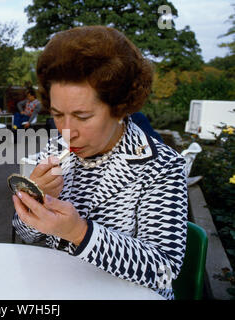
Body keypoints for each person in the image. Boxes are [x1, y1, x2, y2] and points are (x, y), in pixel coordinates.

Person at [11, 26, 187, 300]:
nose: (68, 131)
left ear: (120, 107)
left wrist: (80, 233)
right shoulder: (56, 147)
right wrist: (36, 198)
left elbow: (164, 269)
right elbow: (25, 234)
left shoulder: (162, 167)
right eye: (58, 114)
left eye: (82, 116)